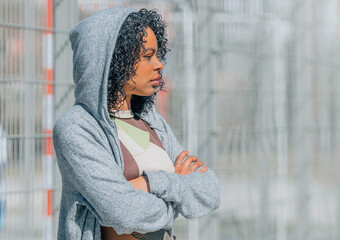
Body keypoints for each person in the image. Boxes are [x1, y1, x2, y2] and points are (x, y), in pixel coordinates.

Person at [53, 7, 220, 240]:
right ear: (114, 59)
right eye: (148, 55)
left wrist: (149, 183)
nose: (159, 64)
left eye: (158, 55)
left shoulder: (152, 121)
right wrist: (177, 189)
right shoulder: (77, 129)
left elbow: (210, 190)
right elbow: (122, 212)